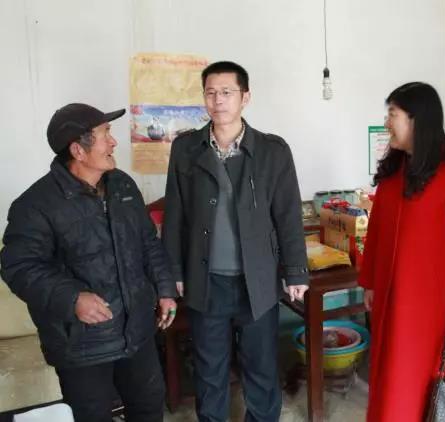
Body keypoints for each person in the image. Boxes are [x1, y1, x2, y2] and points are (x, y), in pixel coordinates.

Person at [0, 103, 177, 422]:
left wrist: (165, 290)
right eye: (105, 134)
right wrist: (72, 298)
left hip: (137, 330)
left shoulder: (122, 185)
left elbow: (148, 242)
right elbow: (19, 267)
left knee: (150, 406)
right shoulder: (35, 205)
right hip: (81, 344)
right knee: (91, 416)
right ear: (78, 151)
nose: (113, 141)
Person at [162, 61, 309, 421]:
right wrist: (172, 273)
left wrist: (296, 271)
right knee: (210, 370)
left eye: (227, 92)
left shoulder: (273, 151)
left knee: (261, 367)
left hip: (256, 281)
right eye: (210, 93)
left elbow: (288, 215)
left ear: (245, 97)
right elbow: (175, 216)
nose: (218, 100)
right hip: (205, 280)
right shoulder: (186, 149)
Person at [359, 82, 445, 421]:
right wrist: (369, 281)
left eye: (393, 115)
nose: (387, 123)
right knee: (386, 375)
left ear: (417, 119)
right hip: (389, 298)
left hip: (429, 309)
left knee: (419, 383)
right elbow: (376, 231)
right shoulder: (394, 171)